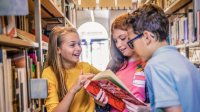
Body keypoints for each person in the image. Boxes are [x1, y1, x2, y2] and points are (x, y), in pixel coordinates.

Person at [125, 3, 200, 112]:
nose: (133, 49)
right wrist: (149, 109)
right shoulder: (183, 61)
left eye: (132, 42)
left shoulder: (155, 65)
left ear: (146, 37)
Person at [42, 26, 108, 112]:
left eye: (79, 44)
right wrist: (74, 89)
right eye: (72, 45)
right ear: (58, 50)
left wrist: (100, 100)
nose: (79, 48)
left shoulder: (85, 67)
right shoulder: (49, 73)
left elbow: (107, 79)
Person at [106, 13, 147, 112]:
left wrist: (148, 109)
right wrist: (101, 102)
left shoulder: (147, 64)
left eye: (123, 38)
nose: (119, 45)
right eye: (115, 41)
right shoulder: (113, 65)